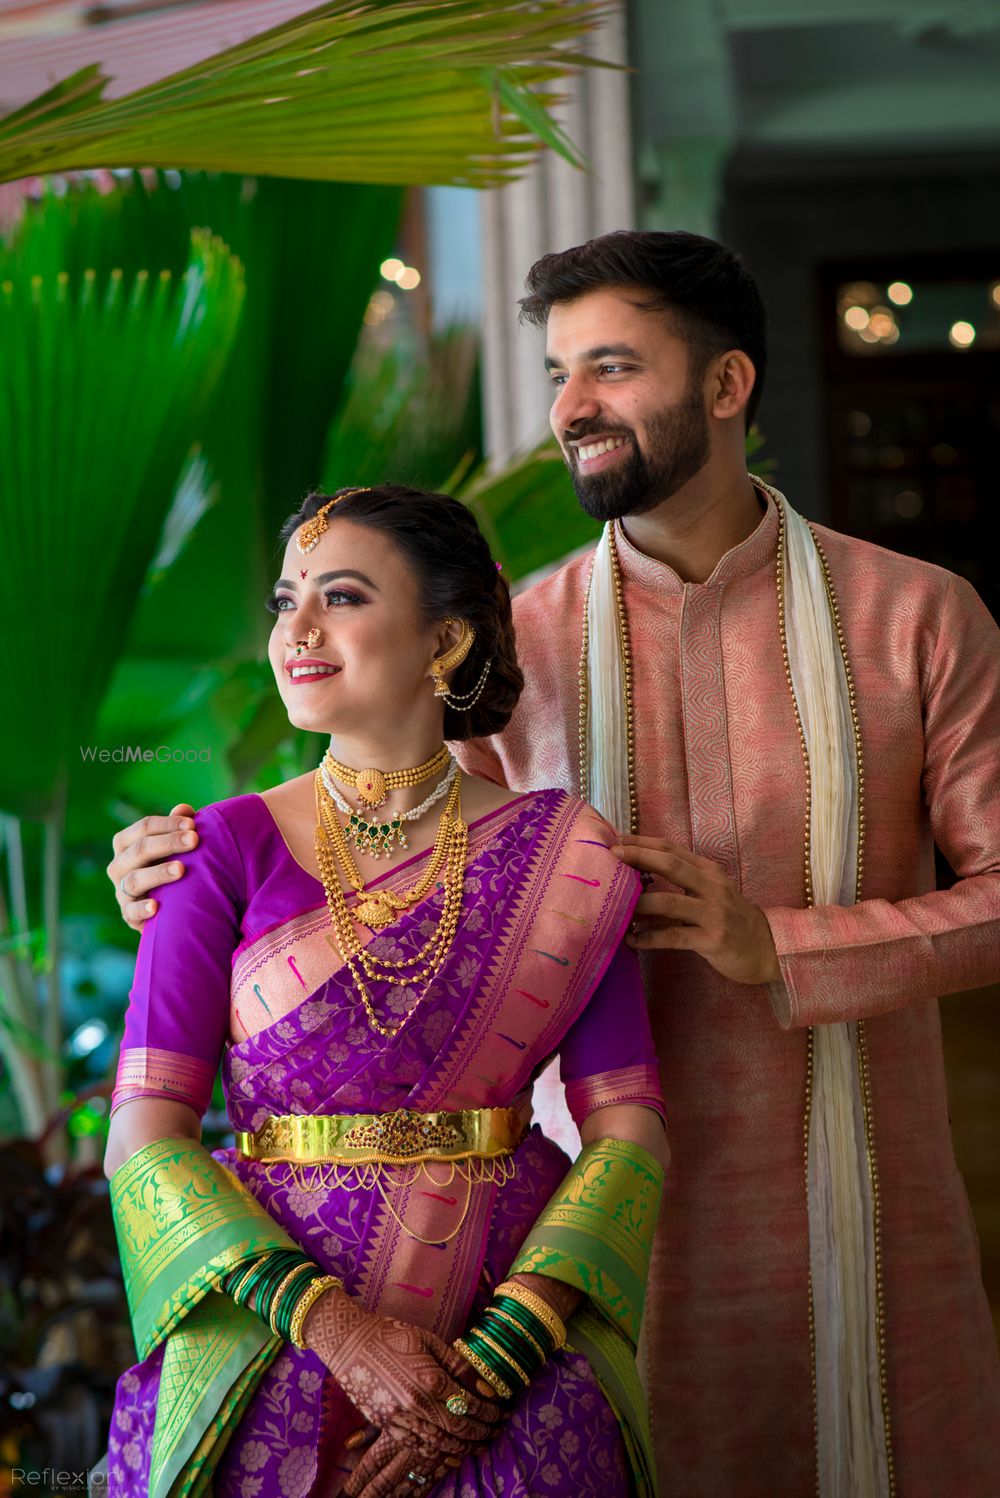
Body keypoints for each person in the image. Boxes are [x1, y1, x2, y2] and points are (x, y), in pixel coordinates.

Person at [107, 231, 1000, 1498]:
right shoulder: (503, 639)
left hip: (850, 1193)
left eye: (611, 367)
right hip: (541, 1247)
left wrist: (779, 944)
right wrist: (177, 868)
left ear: (728, 385)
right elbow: (365, 832)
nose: (568, 407)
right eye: (558, 369)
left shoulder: (915, 618)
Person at [103, 483, 669, 1498]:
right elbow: (146, 1132)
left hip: (511, 1342)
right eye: (286, 601)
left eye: (344, 597)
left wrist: (506, 1346)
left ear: (444, 640)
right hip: (272, 1331)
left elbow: (629, 1125)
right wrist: (340, 1331)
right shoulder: (213, 851)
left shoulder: (567, 857)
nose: (297, 631)